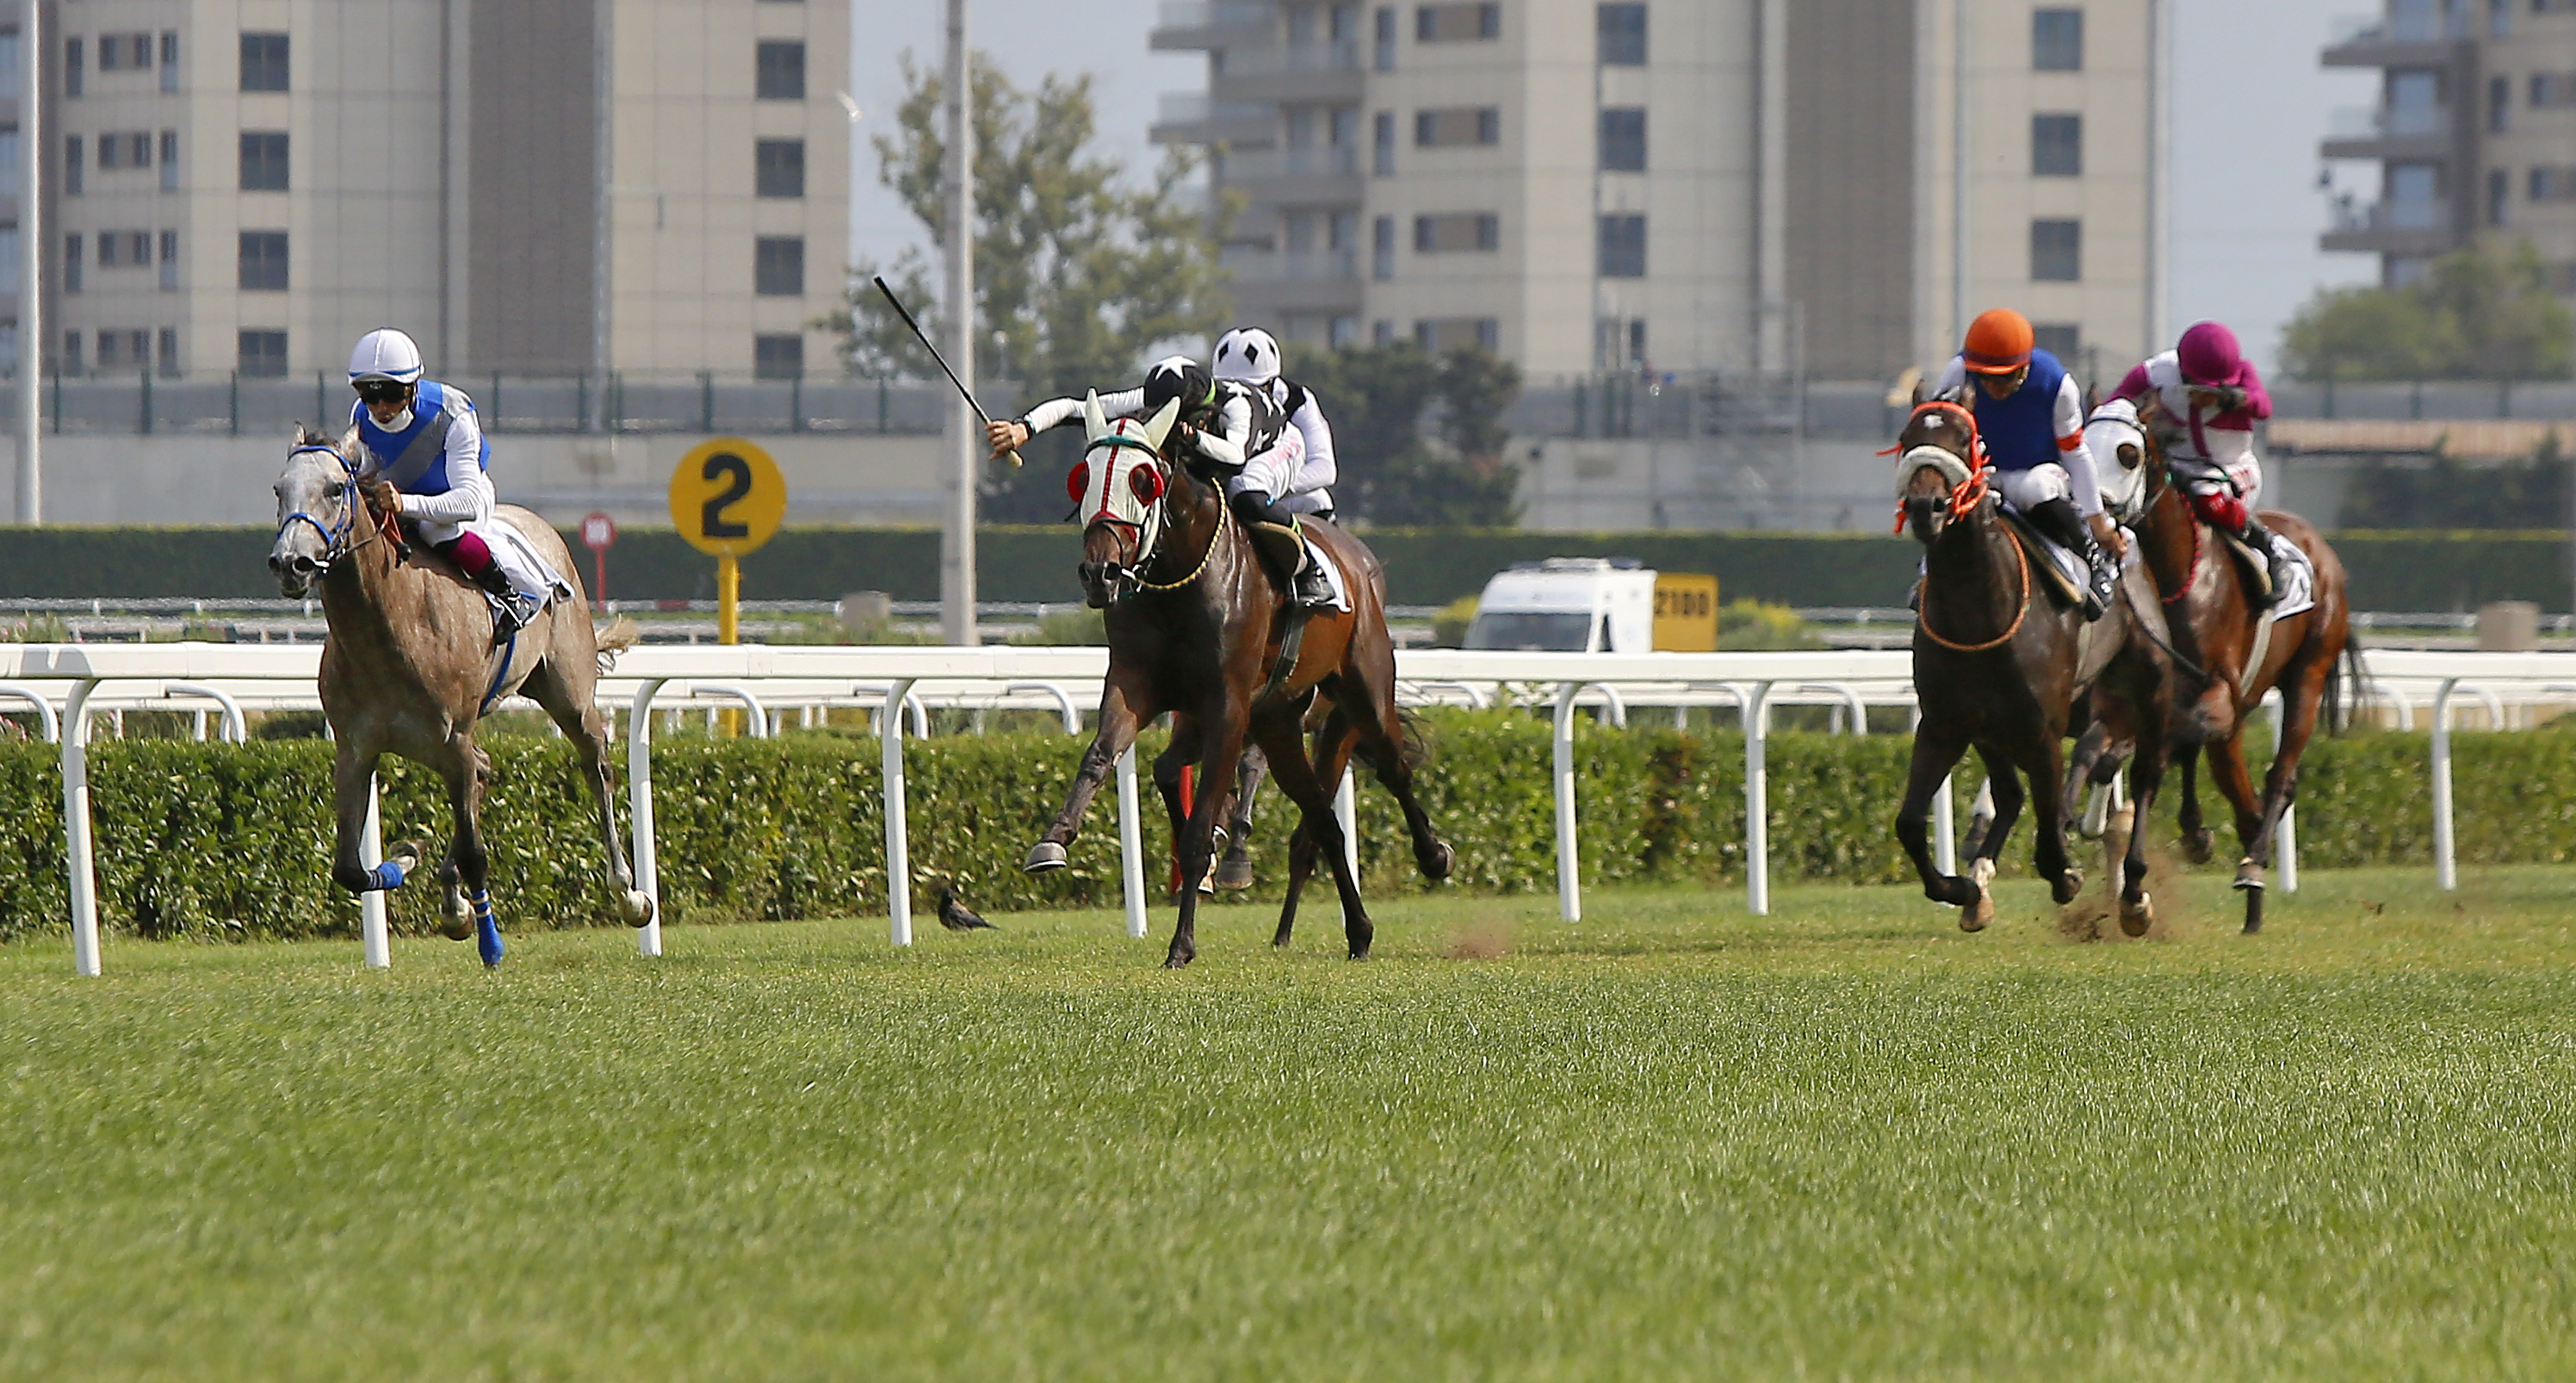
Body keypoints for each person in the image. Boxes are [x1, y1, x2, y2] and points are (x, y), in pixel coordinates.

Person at [988, 353, 1337, 608]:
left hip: (1276, 446)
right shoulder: (1148, 396)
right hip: (1228, 447)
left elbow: (1235, 457)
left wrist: (1193, 437)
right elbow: (1072, 408)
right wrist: (1023, 429)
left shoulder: (1236, 406)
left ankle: (1312, 570)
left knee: (1244, 492)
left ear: (1204, 408)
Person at [345, 329, 542, 642]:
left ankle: (512, 595)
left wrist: (405, 504)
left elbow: (468, 503)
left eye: (392, 394)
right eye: (369, 395)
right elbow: (368, 470)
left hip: (461, 500)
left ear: (412, 387)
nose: (381, 406)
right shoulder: (360, 415)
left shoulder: (452, 412)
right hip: (400, 498)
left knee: (433, 529)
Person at [1932, 308, 2122, 619]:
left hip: (2039, 471)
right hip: (1983, 475)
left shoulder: (2056, 383)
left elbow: (2075, 453)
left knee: (2034, 488)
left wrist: (2098, 522)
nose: (1992, 387)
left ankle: (2092, 558)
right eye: (1984, 377)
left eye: (2003, 378)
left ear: (2023, 369)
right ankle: (1927, 574)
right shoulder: (1958, 373)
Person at [2111, 320, 2281, 607]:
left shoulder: (2244, 371)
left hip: (2230, 468)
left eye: (2215, 388)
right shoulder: (2153, 373)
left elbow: (2263, 407)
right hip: (2176, 466)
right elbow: (2114, 404)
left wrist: (2233, 398)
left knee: (2207, 499)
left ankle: (2265, 544)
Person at [1211, 326, 1337, 522]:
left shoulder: (1298, 401)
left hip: (1268, 489)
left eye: (1250, 389)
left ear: (1270, 383)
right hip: (1231, 487)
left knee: (1318, 499)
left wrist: (1265, 489)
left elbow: (1325, 468)